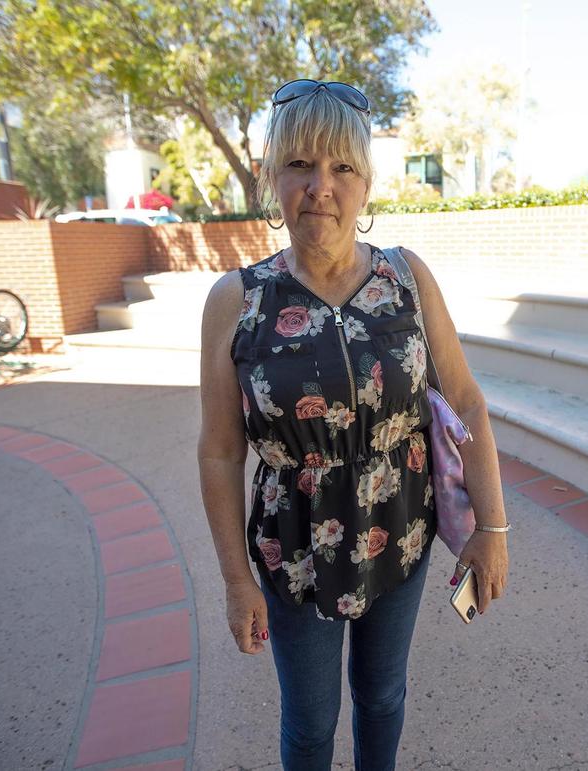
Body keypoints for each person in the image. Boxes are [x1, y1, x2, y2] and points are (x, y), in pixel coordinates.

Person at [197, 79, 511, 771]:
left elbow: (466, 401)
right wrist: (236, 580)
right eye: (300, 164)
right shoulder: (236, 299)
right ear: (272, 178)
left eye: (341, 166)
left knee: (382, 694)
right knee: (310, 723)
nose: (321, 186)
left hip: (400, 532)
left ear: (366, 184)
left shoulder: (408, 278)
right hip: (292, 550)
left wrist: (491, 528)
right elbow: (219, 451)